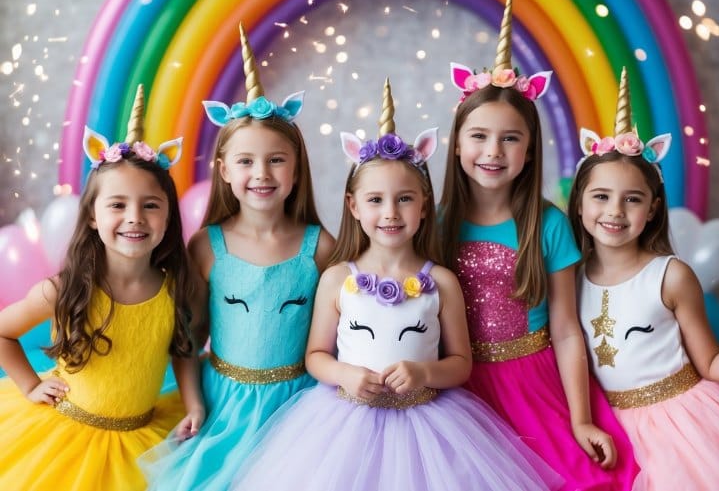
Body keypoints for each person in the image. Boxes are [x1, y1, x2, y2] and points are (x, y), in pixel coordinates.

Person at [229, 79, 564, 491]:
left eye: (404, 199)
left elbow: (461, 363)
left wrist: (424, 371)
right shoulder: (337, 278)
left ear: (425, 206)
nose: (390, 213)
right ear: (353, 206)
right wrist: (344, 374)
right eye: (375, 200)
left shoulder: (441, 282)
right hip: (343, 422)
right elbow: (315, 355)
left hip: (428, 421)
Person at [438, 0, 639, 490]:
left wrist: (580, 417)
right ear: (457, 143)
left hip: (532, 383)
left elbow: (567, 329)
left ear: (529, 151)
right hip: (456, 386)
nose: (493, 151)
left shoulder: (548, 225)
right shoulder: (432, 224)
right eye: (479, 136)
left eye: (510, 139)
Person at [139, 25, 334, 491]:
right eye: (245, 162)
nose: (261, 174)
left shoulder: (321, 247)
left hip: (300, 408)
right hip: (224, 403)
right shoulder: (208, 247)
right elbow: (188, 339)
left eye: (276, 161)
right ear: (225, 171)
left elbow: (336, 338)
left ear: (296, 169)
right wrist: (193, 404)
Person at [0, 85, 204, 491]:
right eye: (117, 205)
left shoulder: (174, 288)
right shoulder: (65, 289)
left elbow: (182, 349)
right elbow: (3, 331)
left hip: (144, 438)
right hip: (67, 438)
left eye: (150, 205)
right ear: (92, 216)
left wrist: (194, 402)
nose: (135, 218)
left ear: (167, 217)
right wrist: (31, 384)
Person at [569, 67, 719, 490]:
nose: (614, 212)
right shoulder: (569, 278)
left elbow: (710, 364)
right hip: (614, 427)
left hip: (684, 426)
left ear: (651, 209)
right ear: (579, 203)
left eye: (632, 199)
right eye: (601, 197)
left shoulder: (669, 275)